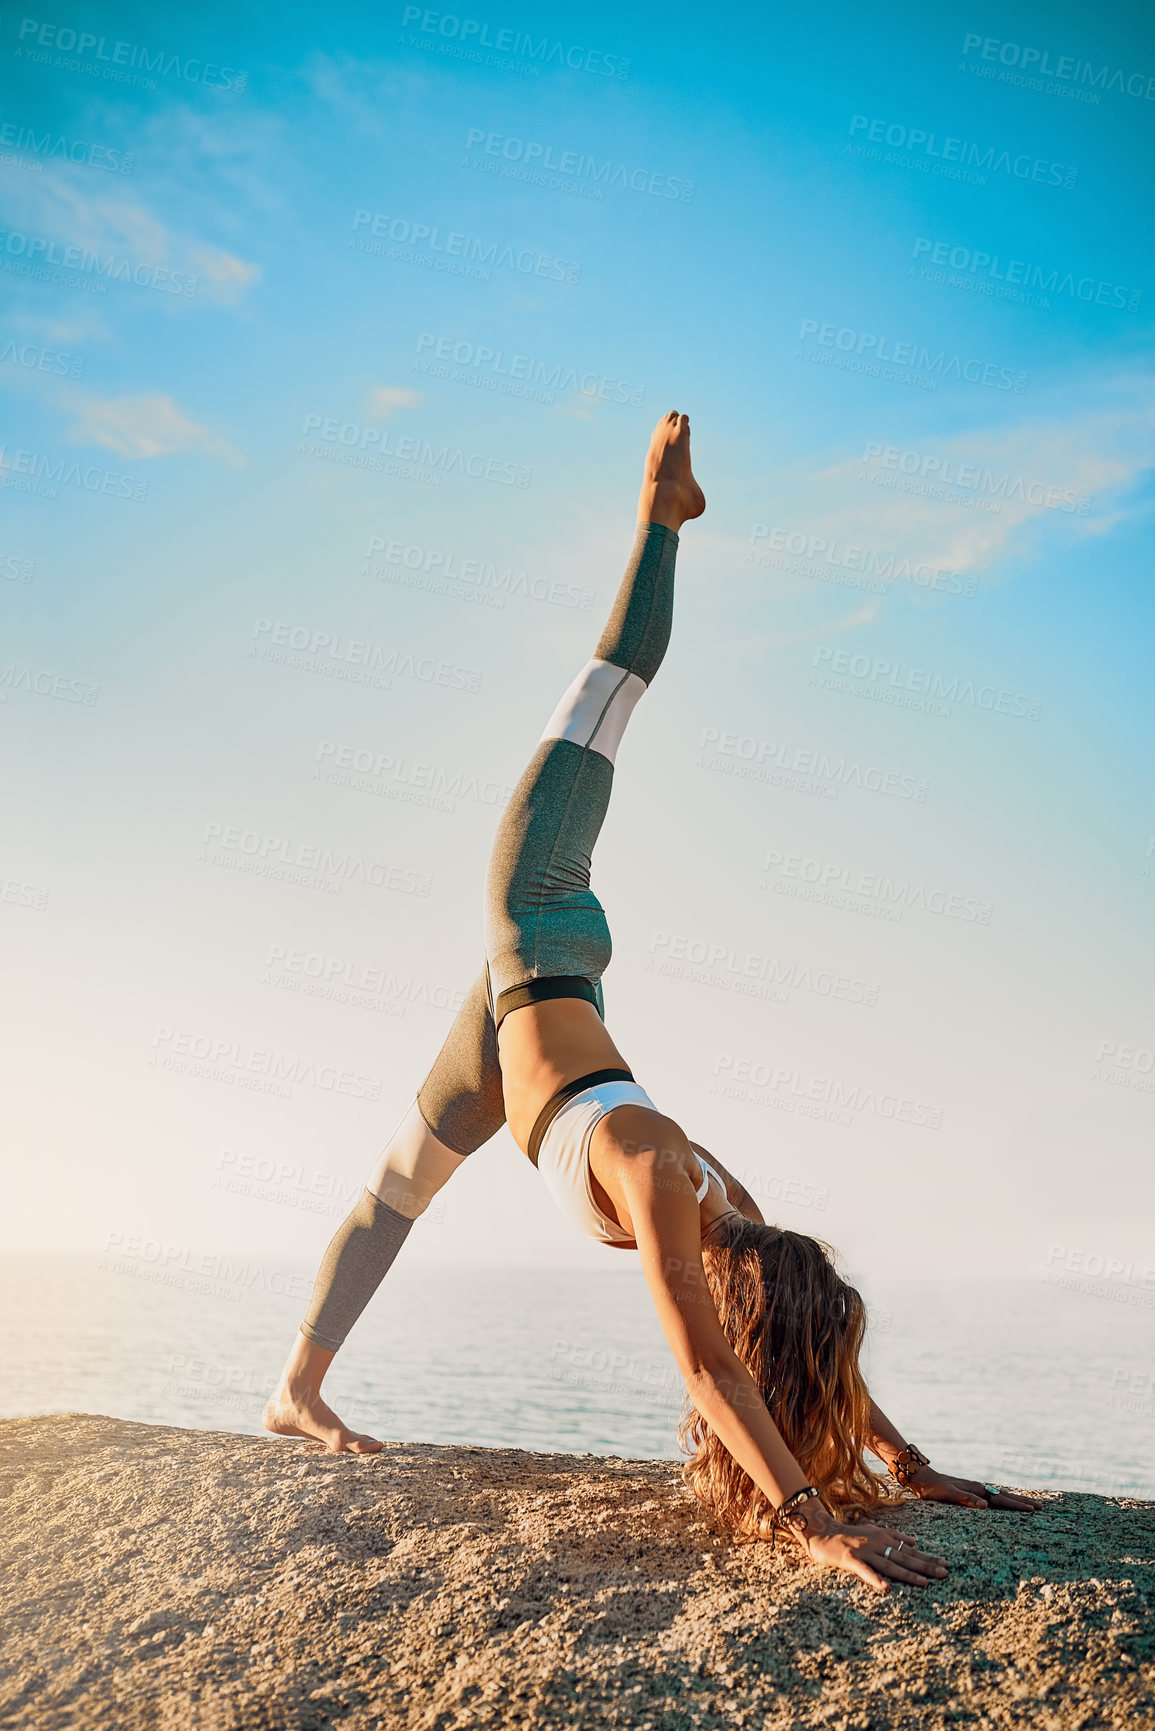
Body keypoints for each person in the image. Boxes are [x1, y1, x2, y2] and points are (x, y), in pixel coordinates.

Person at [266, 413, 1037, 1591]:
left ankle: (294, 1390)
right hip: (540, 929)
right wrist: (823, 1515)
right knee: (608, 688)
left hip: (515, 1016)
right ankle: (661, 522)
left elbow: (728, 1365)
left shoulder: (690, 1191)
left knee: (390, 1197)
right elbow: (726, 1371)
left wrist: (894, 1471)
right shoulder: (693, 1182)